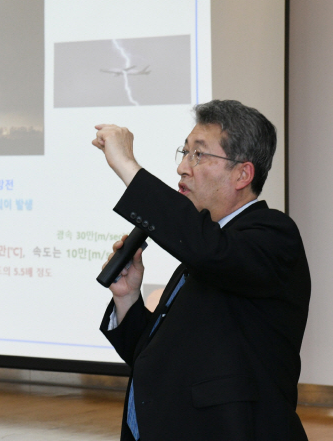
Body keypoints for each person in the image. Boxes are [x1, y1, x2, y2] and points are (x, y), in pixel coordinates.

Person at [92, 100, 310, 441]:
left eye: (198, 154)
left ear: (242, 174)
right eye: (184, 152)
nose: (182, 167)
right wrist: (128, 298)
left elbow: (209, 250)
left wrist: (127, 165)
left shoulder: (272, 235)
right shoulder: (205, 250)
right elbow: (157, 358)